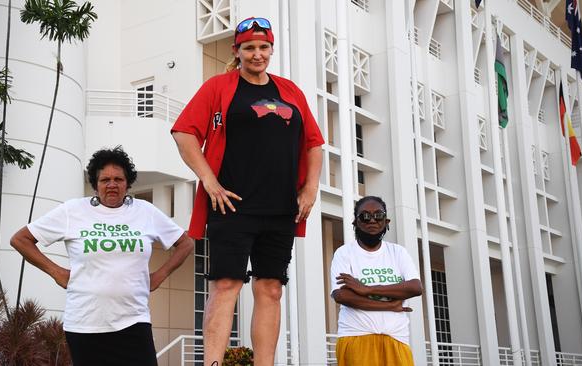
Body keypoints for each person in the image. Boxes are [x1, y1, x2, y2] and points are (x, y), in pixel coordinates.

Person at [171, 16, 324, 366]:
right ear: (236, 51)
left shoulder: (290, 91)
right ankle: (211, 363)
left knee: (270, 290)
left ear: (271, 49)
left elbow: (314, 144)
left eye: (263, 47)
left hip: (281, 209)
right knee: (226, 287)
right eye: (249, 48)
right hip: (231, 207)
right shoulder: (218, 87)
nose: (257, 54)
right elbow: (184, 133)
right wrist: (209, 180)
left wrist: (310, 189)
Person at [10, 146, 194, 366]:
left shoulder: (145, 211)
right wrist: (56, 272)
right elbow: (20, 239)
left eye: (119, 179)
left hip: (134, 321)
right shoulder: (73, 211)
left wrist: (160, 275)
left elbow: (185, 243)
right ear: (96, 185)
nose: (112, 184)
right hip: (85, 325)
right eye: (105, 180)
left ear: (128, 183)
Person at [330, 196, 423, 366]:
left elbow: (415, 287)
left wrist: (367, 289)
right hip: (356, 336)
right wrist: (388, 305)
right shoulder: (344, 253)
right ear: (355, 222)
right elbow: (342, 296)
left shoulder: (398, 252)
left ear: (386, 221)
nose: (372, 220)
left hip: (397, 338)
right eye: (365, 216)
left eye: (378, 215)